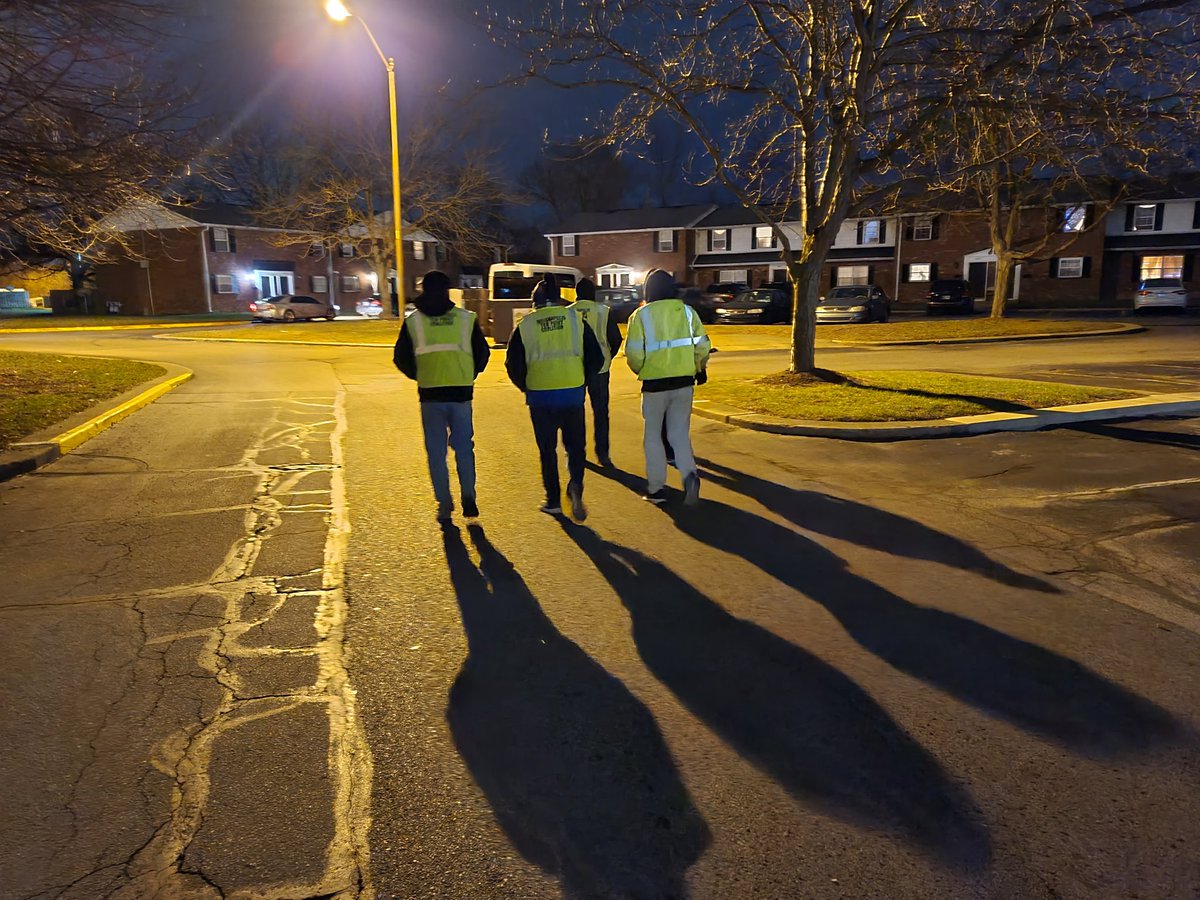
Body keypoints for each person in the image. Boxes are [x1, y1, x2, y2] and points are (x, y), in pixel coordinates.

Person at [393, 270, 491, 522]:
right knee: (464, 448)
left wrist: (422, 375)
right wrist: (469, 374)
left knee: (436, 452)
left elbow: (401, 358)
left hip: (430, 394)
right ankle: (469, 496)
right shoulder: (466, 319)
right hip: (460, 393)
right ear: (447, 291)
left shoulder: (414, 322)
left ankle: (444, 503)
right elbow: (483, 354)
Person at [505, 274, 603, 519]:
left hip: (540, 397)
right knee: (575, 447)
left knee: (547, 450)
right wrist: (583, 381)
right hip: (572, 392)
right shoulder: (575, 320)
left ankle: (553, 500)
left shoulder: (525, 325)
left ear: (535, 301)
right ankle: (576, 484)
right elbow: (596, 358)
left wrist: (526, 386)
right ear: (559, 299)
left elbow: (512, 364)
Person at [625, 269, 711, 506]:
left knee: (653, 436)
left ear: (648, 290)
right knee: (679, 434)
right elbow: (703, 346)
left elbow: (632, 354)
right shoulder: (687, 312)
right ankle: (689, 474)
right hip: (684, 382)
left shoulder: (640, 316)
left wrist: (643, 369)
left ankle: (656, 489)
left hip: (654, 385)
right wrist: (697, 367)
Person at [568, 277, 622, 466]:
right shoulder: (604, 312)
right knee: (600, 411)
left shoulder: (568, 313)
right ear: (593, 294)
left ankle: (576, 451)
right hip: (600, 368)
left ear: (576, 293)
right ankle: (602, 452)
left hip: (574, 368)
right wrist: (608, 356)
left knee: (575, 412)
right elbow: (615, 339)